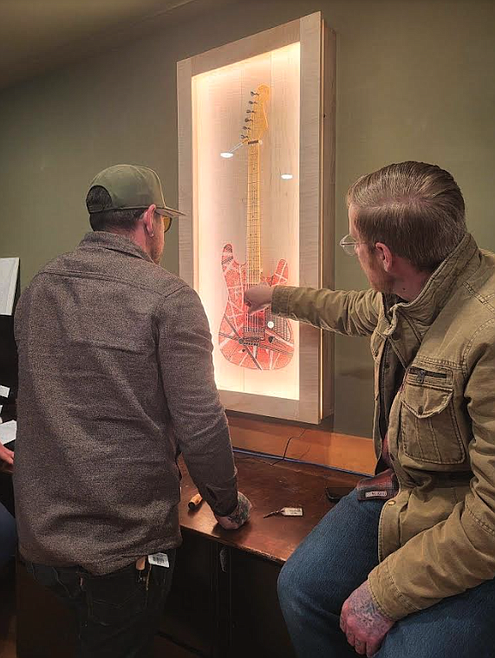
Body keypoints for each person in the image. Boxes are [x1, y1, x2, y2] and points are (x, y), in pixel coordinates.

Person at [245, 161, 495, 658]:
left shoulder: (485, 332)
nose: (353, 251)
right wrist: (273, 298)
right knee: (300, 588)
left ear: (384, 255)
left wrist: (383, 595)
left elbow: (490, 518)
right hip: (401, 491)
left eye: (353, 243)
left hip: (467, 525)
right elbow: (345, 309)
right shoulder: (404, 292)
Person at [13, 164, 251, 658]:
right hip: (122, 552)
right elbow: (202, 425)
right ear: (149, 219)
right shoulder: (170, 299)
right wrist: (227, 506)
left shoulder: (38, 288)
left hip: (41, 542)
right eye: (164, 221)